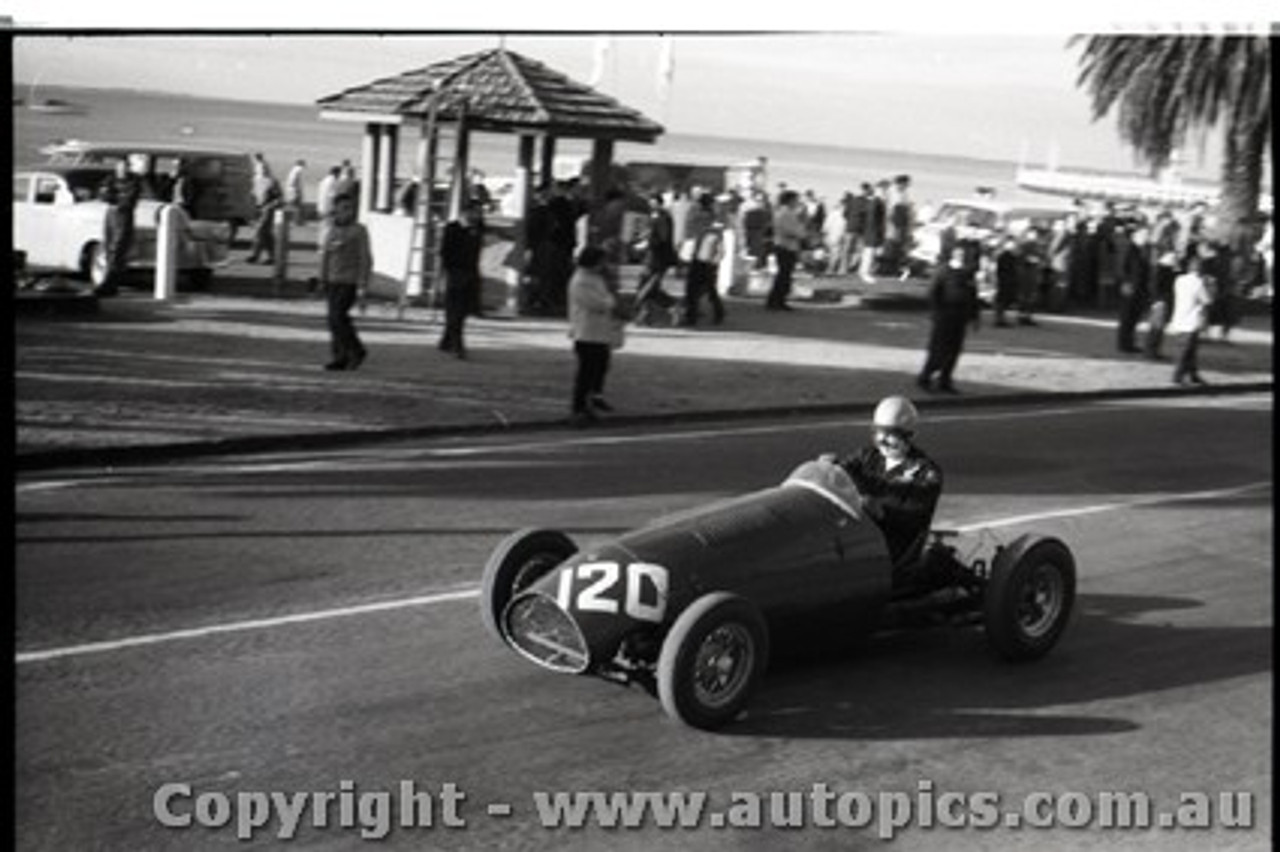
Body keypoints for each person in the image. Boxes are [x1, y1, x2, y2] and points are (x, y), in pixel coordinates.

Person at [826, 396, 943, 578]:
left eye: (892, 434)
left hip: (892, 547)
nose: (883, 440)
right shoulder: (867, 456)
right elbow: (842, 471)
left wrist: (881, 510)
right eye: (879, 432)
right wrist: (829, 467)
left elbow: (914, 518)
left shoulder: (926, 472)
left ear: (910, 435)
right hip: (858, 533)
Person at [318, 192, 371, 371]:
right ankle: (340, 357)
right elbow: (325, 256)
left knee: (338, 316)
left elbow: (365, 258)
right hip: (333, 280)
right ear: (336, 210)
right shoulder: (330, 230)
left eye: (350, 208)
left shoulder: (359, 230)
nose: (348, 212)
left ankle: (356, 350)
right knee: (333, 320)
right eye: (343, 209)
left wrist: (362, 285)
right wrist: (322, 279)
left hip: (350, 281)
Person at [918, 243, 980, 393]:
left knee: (954, 350)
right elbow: (933, 292)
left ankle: (945, 380)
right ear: (954, 254)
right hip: (945, 315)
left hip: (961, 317)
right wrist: (936, 313)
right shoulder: (943, 271)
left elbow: (972, 297)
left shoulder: (968, 273)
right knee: (938, 349)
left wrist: (974, 317)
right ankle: (925, 377)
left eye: (965, 255)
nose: (963, 257)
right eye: (960, 254)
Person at [567, 246, 618, 427]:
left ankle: (593, 399)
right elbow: (596, 303)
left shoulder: (595, 278)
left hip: (599, 332)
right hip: (586, 332)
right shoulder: (580, 280)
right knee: (586, 372)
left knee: (600, 367)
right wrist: (610, 301)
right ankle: (579, 407)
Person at [438, 203, 484, 359]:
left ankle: (446, 339)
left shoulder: (476, 228)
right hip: (456, 272)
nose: (477, 216)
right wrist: (448, 271)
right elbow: (445, 252)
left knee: (463, 310)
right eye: (474, 213)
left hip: (471, 271)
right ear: (465, 213)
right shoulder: (453, 229)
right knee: (455, 310)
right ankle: (457, 344)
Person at [96, 159, 143, 295]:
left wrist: (116, 197)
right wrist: (113, 197)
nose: (123, 170)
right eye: (120, 167)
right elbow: (103, 194)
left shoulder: (134, 181)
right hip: (111, 213)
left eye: (125, 167)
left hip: (124, 215)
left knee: (118, 249)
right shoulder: (110, 179)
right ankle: (110, 282)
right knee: (108, 247)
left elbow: (129, 199)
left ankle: (110, 283)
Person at [1169, 254, 1213, 386]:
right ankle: (1177, 376)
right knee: (1187, 350)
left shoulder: (1179, 280)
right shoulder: (1198, 283)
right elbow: (1208, 300)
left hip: (1178, 318)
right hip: (1192, 321)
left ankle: (1193, 374)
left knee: (1188, 350)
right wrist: (1209, 286)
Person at [633, 193, 679, 322]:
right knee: (647, 285)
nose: (651, 205)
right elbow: (654, 233)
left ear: (659, 203)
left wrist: (647, 243)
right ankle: (647, 312)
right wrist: (645, 237)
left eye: (654, 202)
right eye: (650, 202)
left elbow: (662, 238)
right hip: (652, 256)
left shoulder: (663, 217)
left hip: (659, 258)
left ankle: (668, 306)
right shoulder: (655, 216)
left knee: (648, 287)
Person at [682, 198, 727, 327]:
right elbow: (719, 243)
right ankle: (718, 312)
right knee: (710, 288)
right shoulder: (715, 221)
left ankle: (692, 317)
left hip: (700, 257)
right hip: (708, 258)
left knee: (692, 289)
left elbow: (693, 235)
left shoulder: (698, 217)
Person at [1115, 226, 1152, 353]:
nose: (1147, 238)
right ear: (1136, 236)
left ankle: (1128, 343)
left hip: (1138, 288)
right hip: (1130, 288)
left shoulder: (1141, 250)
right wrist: (1126, 283)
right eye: (1144, 235)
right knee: (1127, 317)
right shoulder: (1131, 249)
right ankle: (1124, 344)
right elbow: (1123, 268)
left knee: (1133, 317)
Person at [768, 189, 805, 311]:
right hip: (785, 246)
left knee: (785, 275)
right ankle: (776, 300)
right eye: (795, 200)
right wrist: (801, 234)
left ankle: (778, 299)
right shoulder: (785, 213)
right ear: (789, 200)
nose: (797, 202)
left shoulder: (787, 213)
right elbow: (789, 230)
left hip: (787, 245)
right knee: (784, 275)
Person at [247, 158, 282, 264]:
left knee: (260, 232)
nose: (262, 169)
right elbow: (252, 195)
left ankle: (255, 255)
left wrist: (271, 206)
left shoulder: (273, 181)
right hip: (257, 209)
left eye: (264, 167)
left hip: (268, 210)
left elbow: (279, 198)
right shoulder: (255, 180)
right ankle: (272, 257)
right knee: (266, 235)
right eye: (260, 167)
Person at [284, 159, 306, 223]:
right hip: (295, 189)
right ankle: (297, 220)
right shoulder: (299, 169)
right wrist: (298, 190)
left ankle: (297, 220)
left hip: (290, 188)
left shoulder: (293, 170)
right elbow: (296, 180)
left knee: (293, 204)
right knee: (296, 205)